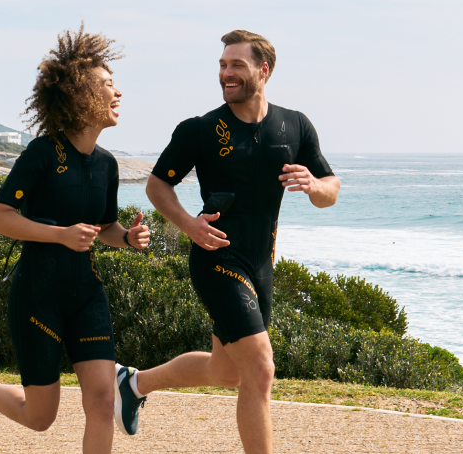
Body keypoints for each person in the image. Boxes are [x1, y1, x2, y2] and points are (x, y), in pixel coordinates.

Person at [113, 30, 340, 453]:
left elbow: (331, 189)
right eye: (222, 65)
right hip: (216, 258)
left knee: (228, 372)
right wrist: (188, 224)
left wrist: (315, 185)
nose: (226, 73)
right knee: (260, 370)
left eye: (237, 65)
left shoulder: (294, 125)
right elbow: (157, 185)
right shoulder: (201, 129)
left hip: (261, 265)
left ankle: (133, 383)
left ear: (263, 70)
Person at [0, 24, 150, 454]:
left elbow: (105, 229)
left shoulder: (108, 165)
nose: (117, 93)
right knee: (40, 418)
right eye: (106, 84)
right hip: (38, 296)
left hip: (87, 296)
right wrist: (60, 235)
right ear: (79, 94)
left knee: (102, 401)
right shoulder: (42, 152)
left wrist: (128, 238)